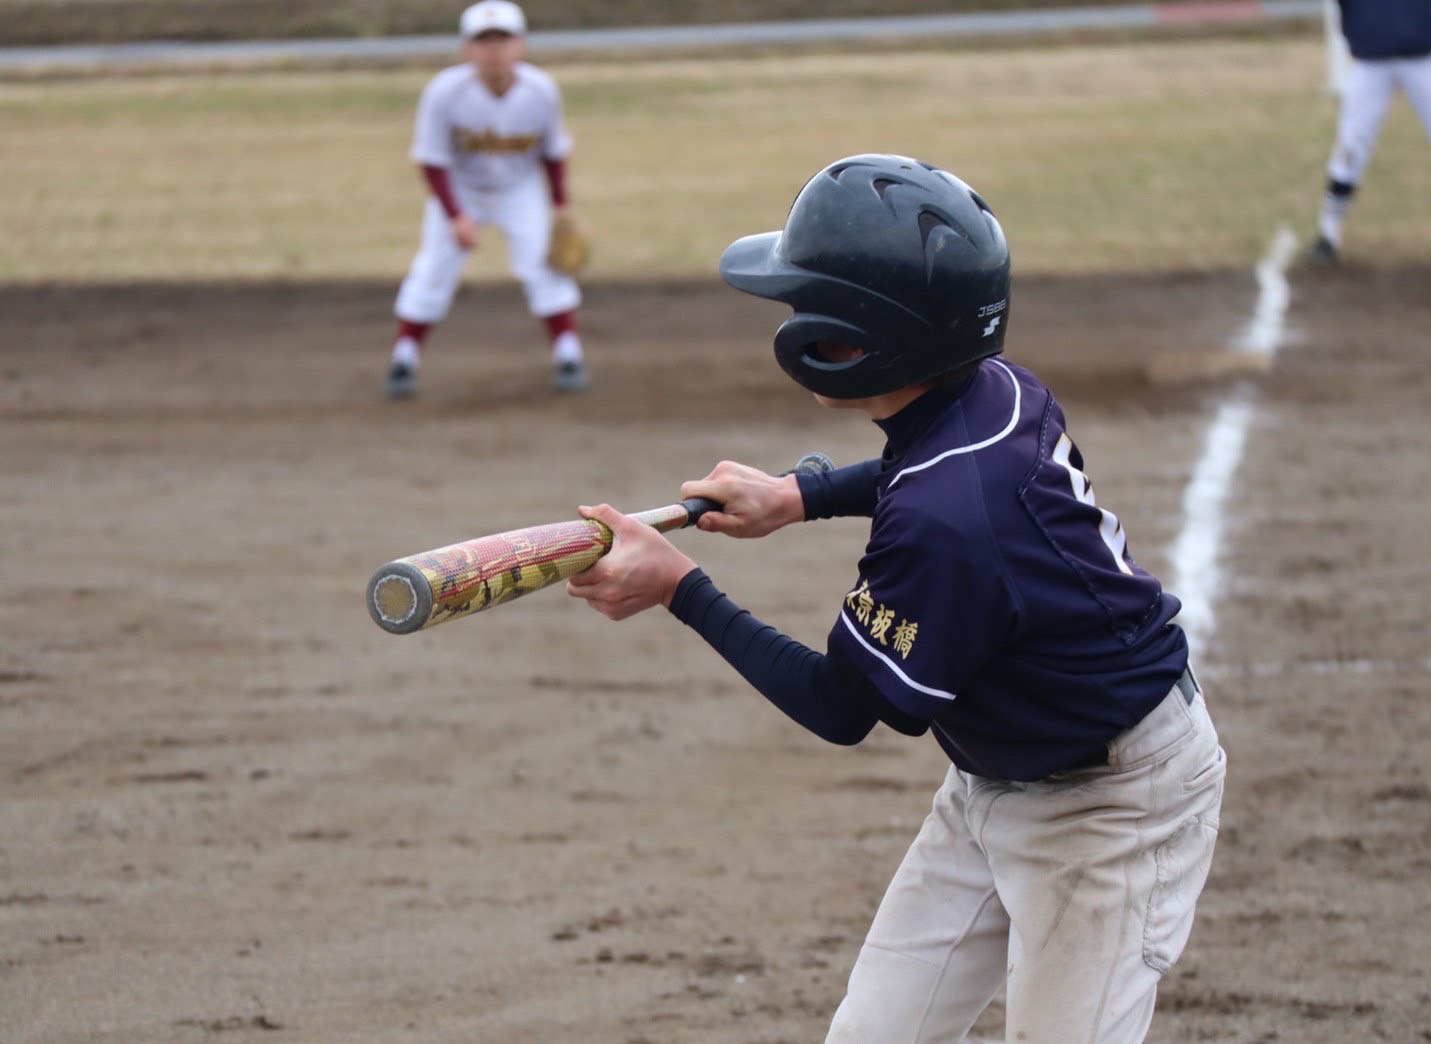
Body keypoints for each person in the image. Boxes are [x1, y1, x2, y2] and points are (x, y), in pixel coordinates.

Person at [566, 154, 1226, 1042]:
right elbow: (921, 467)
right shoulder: (994, 386)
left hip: (1111, 811)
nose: (793, 317)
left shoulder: (945, 524)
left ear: (864, 339)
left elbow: (843, 707)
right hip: (995, 777)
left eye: (809, 304)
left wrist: (679, 587)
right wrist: (799, 496)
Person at [383, 0, 589, 397]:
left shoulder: (541, 89)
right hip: (460, 189)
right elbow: (431, 161)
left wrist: (561, 206)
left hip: (519, 189)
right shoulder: (445, 92)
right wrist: (456, 216)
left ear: (521, 44)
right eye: (483, 40)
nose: (493, 48)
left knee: (545, 268)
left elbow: (553, 152)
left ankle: (569, 355)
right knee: (433, 271)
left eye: (503, 38)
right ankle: (403, 360)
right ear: (467, 49)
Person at [1308, 0, 1431, 263]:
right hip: (1371, 63)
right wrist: (1360, 34)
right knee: (1351, 146)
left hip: (1424, 60)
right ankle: (1328, 235)